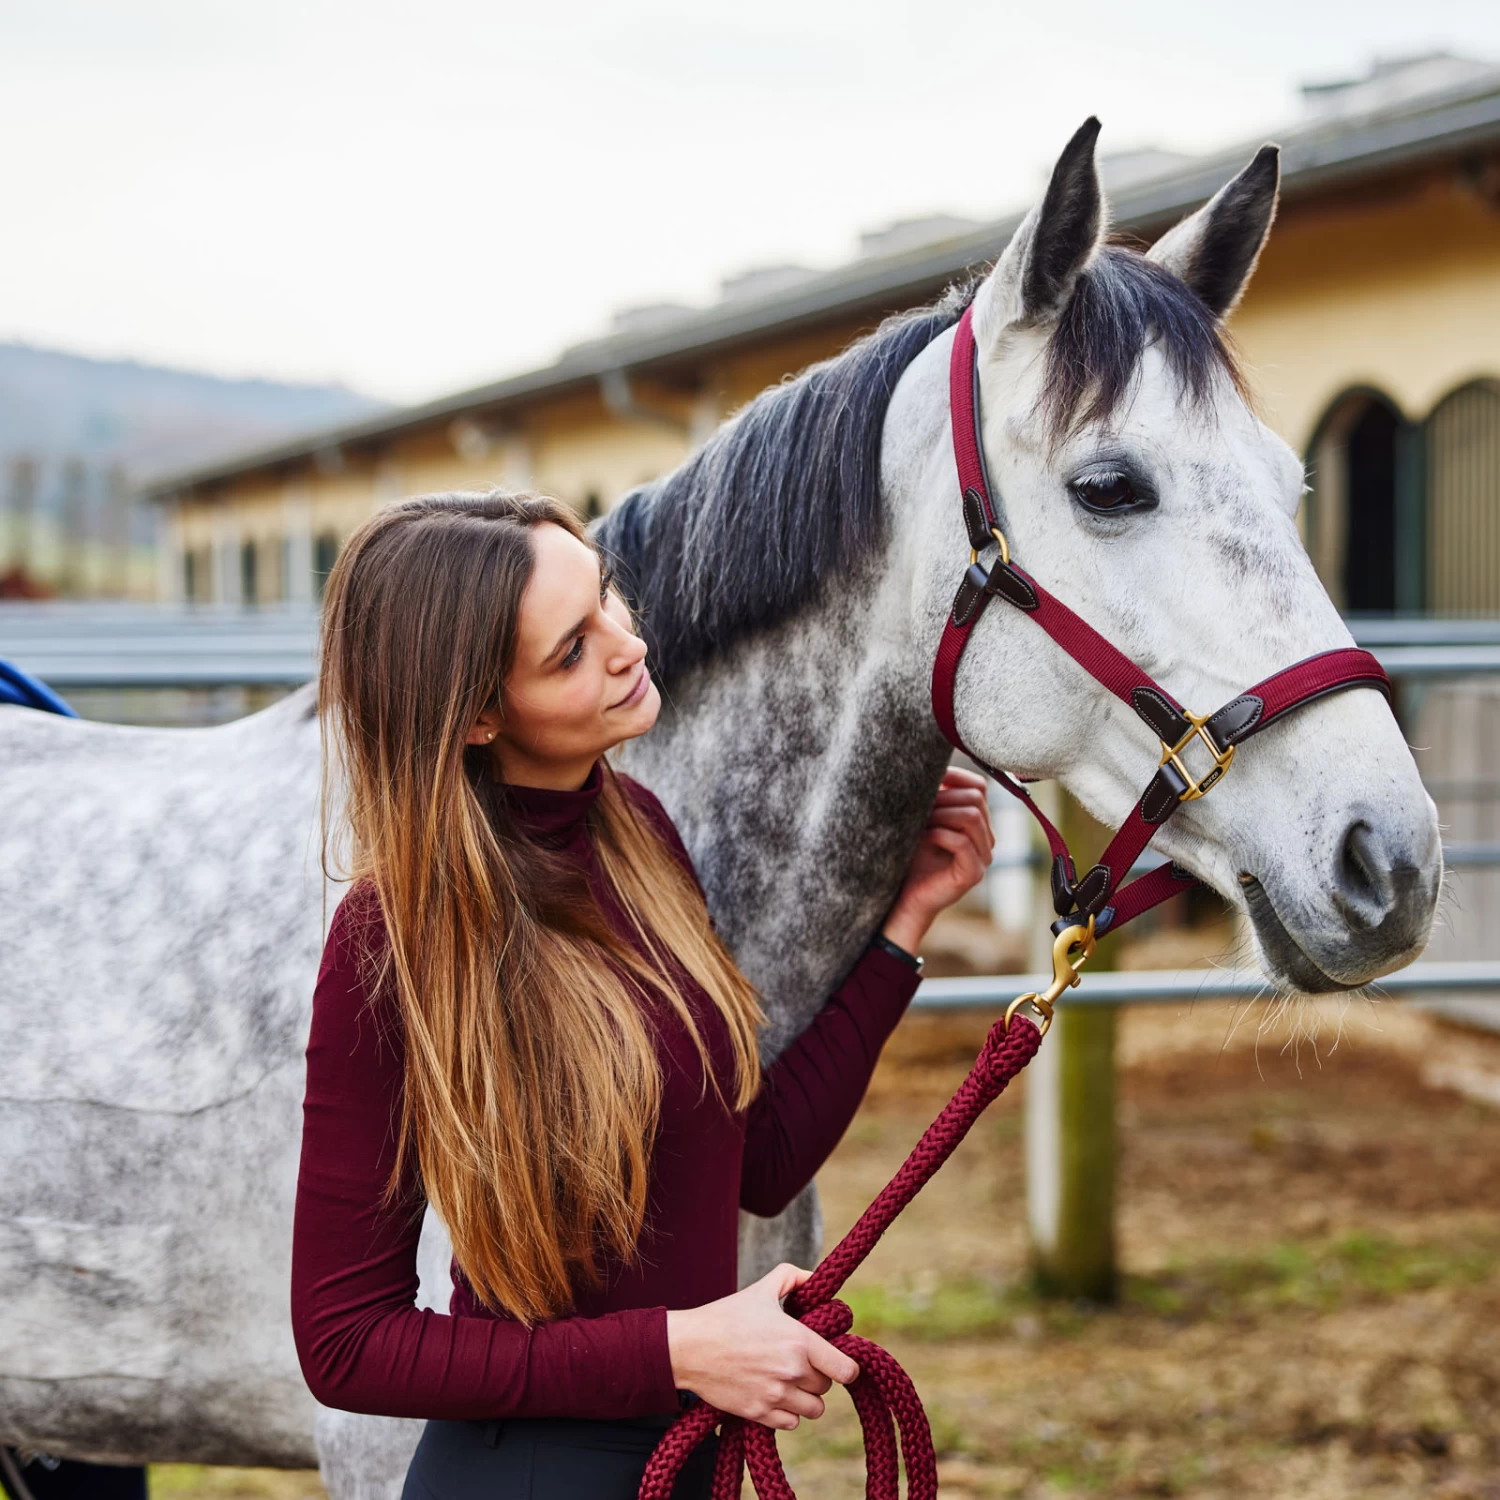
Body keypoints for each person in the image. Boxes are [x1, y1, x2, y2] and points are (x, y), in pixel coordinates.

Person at [290, 490, 994, 1500]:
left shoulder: (640, 835)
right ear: (479, 714)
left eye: (610, 599)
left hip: (690, 1462)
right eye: (571, 650)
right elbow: (345, 1343)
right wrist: (675, 1351)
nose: (628, 644)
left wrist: (905, 928)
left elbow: (753, 1164)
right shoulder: (395, 937)